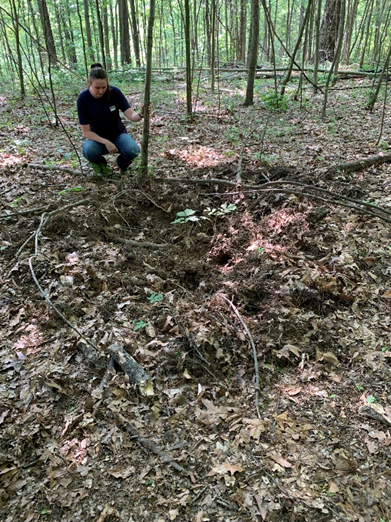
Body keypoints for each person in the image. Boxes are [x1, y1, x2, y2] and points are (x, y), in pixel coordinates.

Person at [77, 63, 143, 175]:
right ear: (90, 82)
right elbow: (86, 132)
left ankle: (122, 164)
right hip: (97, 138)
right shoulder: (83, 99)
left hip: (118, 134)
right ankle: (103, 167)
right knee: (89, 151)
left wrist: (141, 114)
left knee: (134, 151)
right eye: (97, 88)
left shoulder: (115, 92)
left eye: (104, 87)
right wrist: (106, 141)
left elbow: (131, 115)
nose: (101, 91)